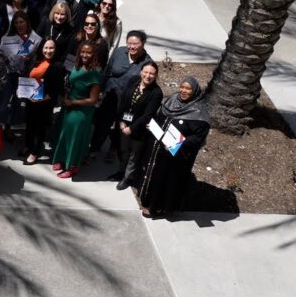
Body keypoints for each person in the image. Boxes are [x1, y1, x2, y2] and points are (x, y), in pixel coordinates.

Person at [139, 77, 210, 218]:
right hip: (160, 149)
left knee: (168, 180)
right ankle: (148, 200)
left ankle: (159, 208)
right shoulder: (172, 100)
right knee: (155, 175)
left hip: (177, 155)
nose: (183, 91)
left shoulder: (199, 111)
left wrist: (178, 144)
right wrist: (153, 126)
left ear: (195, 91)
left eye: (188, 89)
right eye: (182, 87)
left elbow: (198, 137)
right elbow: (161, 116)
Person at [90, 30, 154, 160]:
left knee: (122, 125)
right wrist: (99, 89)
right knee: (102, 123)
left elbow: (148, 84)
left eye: (135, 44)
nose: (132, 47)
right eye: (129, 43)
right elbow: (107, 70)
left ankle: (113, 149)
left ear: (143, 43)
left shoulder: (147, 62)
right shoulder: (120, 52)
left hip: (128, 102)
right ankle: (94, 149)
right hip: (110, 94)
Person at [51, 42, 103, 179]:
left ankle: (72, 167)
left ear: (94, 54)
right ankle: (62, 159)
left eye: (89, 52)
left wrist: (73, 102)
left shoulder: (95, 74)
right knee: (65, 134)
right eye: (83, 52)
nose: (85, 55)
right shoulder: (76, 66)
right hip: (68, 106)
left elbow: (93, 100)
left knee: (75, 138)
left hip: (82, 110)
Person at [111, 62, 163, 190]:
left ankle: (127, 178)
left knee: (133, 156)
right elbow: (123, 101)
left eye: (152, 73)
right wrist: (121, 121)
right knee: (123, 151)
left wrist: (131, 128)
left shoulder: (156, 93)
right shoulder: (133, 82)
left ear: (156, 75)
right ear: (141, 72)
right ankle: (120, 172)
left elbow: (147, 115)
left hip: (139, 130)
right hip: (124, 124)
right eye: (146, 72)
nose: (148, 76)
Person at [20, 39, 66, 165]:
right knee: (29, 124)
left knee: (40, 128)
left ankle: (35, 152)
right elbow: (26, 76)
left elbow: (56, 90)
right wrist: (25, 93)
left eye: (51, 48)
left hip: (45, 102)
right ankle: (28, 145)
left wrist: (40, 98)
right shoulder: (35, 60)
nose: (48, 51)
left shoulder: (58, 66)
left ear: (56, 49)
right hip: (30, 99)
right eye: (46, 48)